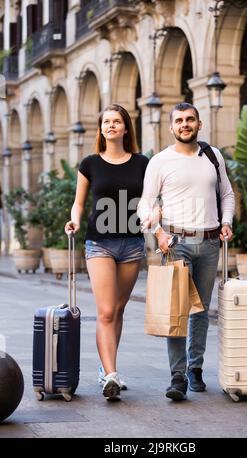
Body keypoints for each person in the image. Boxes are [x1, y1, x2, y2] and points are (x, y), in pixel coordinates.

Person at [138, 102, 235, 401]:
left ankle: (196, 368)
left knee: (202, 311)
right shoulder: (159, 161)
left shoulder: (212, 155)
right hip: (175, 244)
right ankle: (177, 376)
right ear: (171, 127)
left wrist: (226, 222)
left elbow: (227, 194)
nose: (184, 124)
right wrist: (158, 233)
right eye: (179, 120)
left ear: (199, 124)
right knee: (177, 310)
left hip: (209, 243)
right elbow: (144, 204)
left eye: (189, 119)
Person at [65, 104, 148, 401]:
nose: (111, 125)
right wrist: (74, 219)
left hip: (132, 244)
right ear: (100, 129)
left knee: (119, 310)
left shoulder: (142, 163)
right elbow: (79, 202)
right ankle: (111, 375)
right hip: (99, 242)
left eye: (117, 121)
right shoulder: (90, 164)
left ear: (126, 128)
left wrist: (156, 217)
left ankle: (106, 368)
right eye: (106, 122)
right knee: (107, 311)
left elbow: (150, 201)